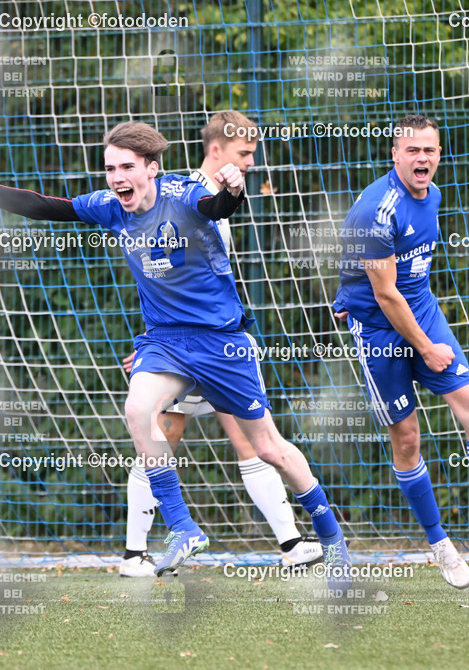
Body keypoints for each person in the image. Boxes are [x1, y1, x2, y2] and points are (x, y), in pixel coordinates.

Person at [0, 121, 350, 589]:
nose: (116, 177)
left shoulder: (183, 194)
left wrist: (235, 189)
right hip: (165, 342)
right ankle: (182, 529)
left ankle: (331, 538)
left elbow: (216, 206)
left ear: (152, 169)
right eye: (110, 168)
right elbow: (44, 207)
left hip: (220, 341)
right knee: (138, 410)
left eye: (127, 167)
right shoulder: (111, 208)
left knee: (269, 448)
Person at [332, 114, 469, 589]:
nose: (423, 159)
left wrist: (430, 336)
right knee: (407, 438)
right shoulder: (377, 210)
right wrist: (427, 349)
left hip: (423, 312)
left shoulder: (431, 195)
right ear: (394, 154)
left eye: (430, 150)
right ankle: (440, 544)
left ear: (439, 155)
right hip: (378, 330)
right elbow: (387, 294)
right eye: (412, 150)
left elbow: (405, 281)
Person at [118, 111, 321, 577]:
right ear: (216, 151)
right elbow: (159, 274)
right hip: (185, 348)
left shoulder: (214, 196)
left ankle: (291, 544)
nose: (251, 162)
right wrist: (156, 347)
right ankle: (136, 552)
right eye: (244, 154)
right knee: (159, 436)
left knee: (249, 440)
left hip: (216, 343)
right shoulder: (179, 197)